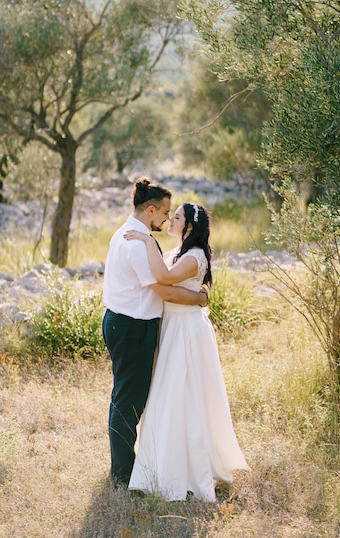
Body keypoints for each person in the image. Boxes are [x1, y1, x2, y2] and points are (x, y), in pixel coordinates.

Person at [124, 202, 249, 502]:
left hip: (187, 331)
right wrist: (197, 296)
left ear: (189, 226)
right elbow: (165, 279)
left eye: (176, 217)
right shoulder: (177, 252)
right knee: (168, 394)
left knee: (186, 395)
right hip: (173, 326)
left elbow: (165, 280)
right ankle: (161, 463)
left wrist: (146, 239)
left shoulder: (194, 257)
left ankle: (188, 469)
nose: (170, 219)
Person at [102, 178, 209, 488]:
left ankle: (129, 466)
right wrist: (201, 299)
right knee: (128, 401)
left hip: (125, 322)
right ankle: (123, 475)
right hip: (132, 327)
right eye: (164, 213)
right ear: (150, 210)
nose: (166, 219)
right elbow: (166, 291)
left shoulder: (127, 233)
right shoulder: (137, 242)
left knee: (127, 396)